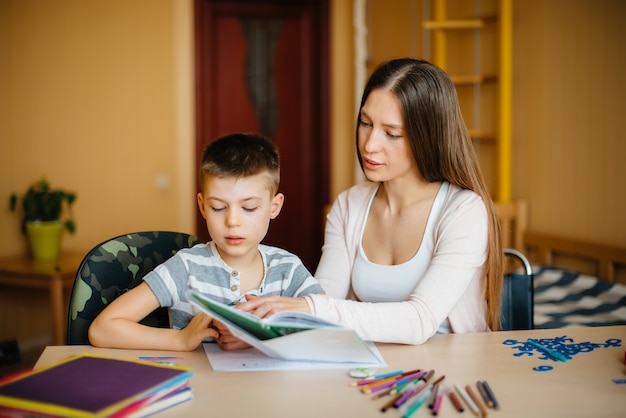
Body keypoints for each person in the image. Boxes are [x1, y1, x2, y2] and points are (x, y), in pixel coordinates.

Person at [223, 58, 504, 348]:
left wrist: (311, 309)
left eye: (391, 134)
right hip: (370, 371)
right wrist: (265, 328)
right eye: (365, 123)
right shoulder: (349, 206)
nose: (369, 144)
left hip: (451, 376)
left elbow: (419, 321)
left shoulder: (463, 211)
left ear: (427, 138)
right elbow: (326, 298)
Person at [88, 133, 324, 351]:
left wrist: (260, 336)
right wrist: (181, 339)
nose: (233, 221)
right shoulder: (186, 268)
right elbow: (102, 329)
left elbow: (330, 325)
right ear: (202, 206)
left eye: (249, 208)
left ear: (275, 206)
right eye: (218, 207)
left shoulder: (288, 269)